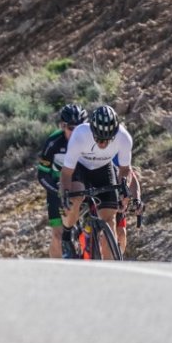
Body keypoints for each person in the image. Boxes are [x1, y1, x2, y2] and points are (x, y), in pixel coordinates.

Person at [60, 105, 134, 261]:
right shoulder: (80, 134)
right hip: (80, 168)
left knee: (110, 219)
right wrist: (65, 193)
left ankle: (110, 269)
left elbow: (125, 170)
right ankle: (67, 234)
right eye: (98, 138)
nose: (102, 143)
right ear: (91, 130)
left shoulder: (124, 138)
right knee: (75, 199)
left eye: (107, 139)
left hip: (103, 169)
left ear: (115, 133)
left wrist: (124, 189)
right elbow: (66, 172)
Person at [37, 104, 88, 259]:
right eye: (72, 128)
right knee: (58, 235)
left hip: (81, 182)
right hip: (57, 185)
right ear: (62, 126)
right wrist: (56, 191)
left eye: (80, 128)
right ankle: (57, 268)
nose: (76, 133)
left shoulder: (90, 140)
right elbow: (42, 175)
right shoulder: (54, 142)